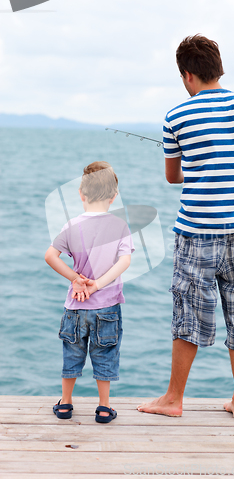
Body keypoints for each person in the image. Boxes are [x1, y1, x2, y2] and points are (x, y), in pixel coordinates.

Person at [137, 35, 234, 420]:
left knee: (188, 310)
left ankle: (173, 400)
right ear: (217, 68)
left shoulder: (177, 116)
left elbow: (173, 177)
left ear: (188, 75)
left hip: (197, 232)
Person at [45, 161, 134, 423]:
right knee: (105, 356)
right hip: (107, 307)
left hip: (75, 306)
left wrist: (76, 279)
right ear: (113, 196)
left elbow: (51, 256)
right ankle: (104, 408)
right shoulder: (119, 225)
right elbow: (124, 262)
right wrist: (98, 284)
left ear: (81, 195)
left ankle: (65, 404)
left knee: (72, 354)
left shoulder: (72, 225)